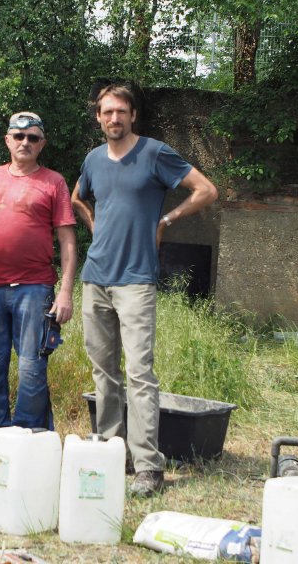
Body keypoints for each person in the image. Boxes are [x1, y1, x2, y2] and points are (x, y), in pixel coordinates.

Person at [71, 84, 218, 496]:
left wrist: (166, 221)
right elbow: (77, 197)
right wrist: (94, 224)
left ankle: (149, 467)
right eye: (106, 112)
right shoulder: (93, 160)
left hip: (136, 279)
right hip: (95, 278)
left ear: (132, 115)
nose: (113, 118)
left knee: (139, 375)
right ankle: (113, 454)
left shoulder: (154, 153)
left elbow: (206, 190)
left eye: (120, 111)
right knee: (104, 375)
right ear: (99, 118)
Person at [0, 112, 77, 463]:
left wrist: (66, 292)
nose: (25, 142)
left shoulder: (54, 182)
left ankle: (28, 439)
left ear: (41, 143)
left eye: (32, 137)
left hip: (35, 288)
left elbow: (68, 241)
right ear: (7, 140)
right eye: (18, 136)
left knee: (31, 368)